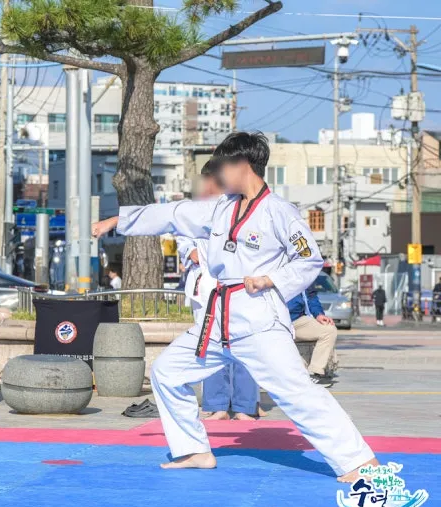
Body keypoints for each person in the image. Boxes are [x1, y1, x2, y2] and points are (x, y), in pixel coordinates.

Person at [91, 132, 376, 482]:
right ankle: (193, 450)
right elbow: (174, 213)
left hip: (258, 319)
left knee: (297, 391)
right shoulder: (220, 208)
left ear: (242, 165)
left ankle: (359, 462)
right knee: (166, 373)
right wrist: (118, 221)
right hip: (217, 320)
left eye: (220, 167)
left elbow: (309, 259)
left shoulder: (279, 212)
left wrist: (272, 279)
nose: (217, 175)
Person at [178, 160, 261, 421]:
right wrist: (193, 251)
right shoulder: (193, 212)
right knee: (211, 346)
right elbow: (185, 245)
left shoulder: (244, 207)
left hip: (239, 287)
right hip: (207, 289)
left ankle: (246, 405)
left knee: (244, 344)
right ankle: (217, 405)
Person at [289, 279, 337, 387]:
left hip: (296, 320)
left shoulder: (304, 273)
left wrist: (318, 314)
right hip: (274, 321)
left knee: (329, 330)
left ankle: (314, 373)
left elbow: (311, 296)